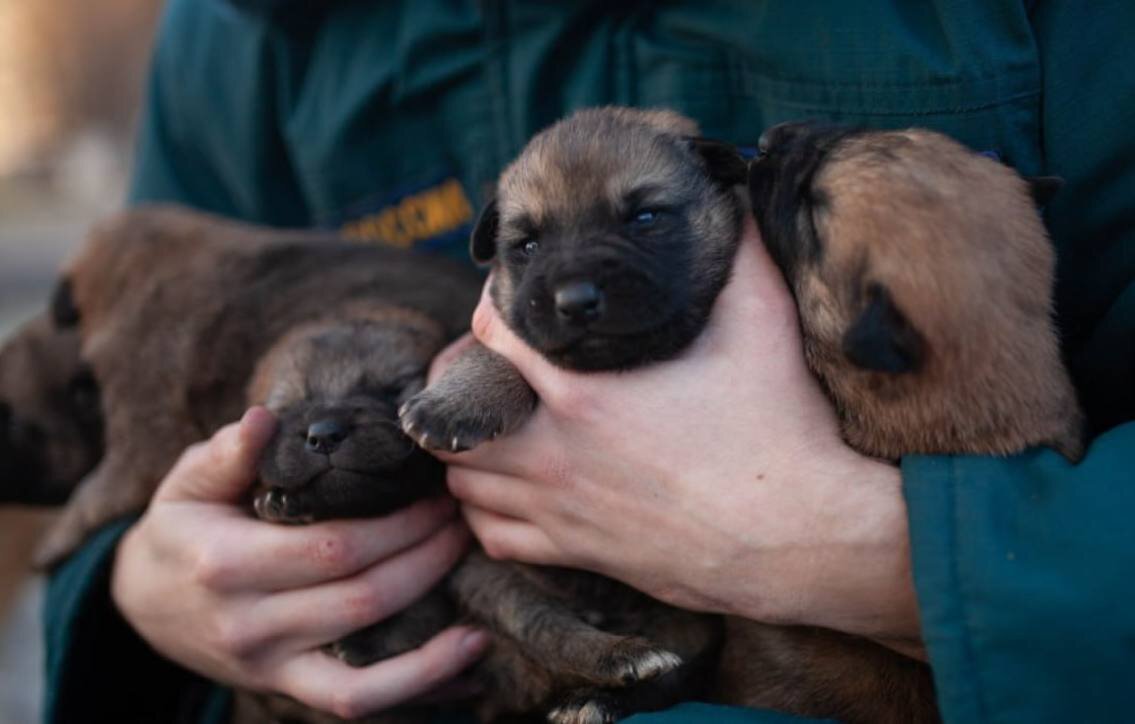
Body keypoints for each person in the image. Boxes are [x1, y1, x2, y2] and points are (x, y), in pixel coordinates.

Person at [44, 1, 1135, 722]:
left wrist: (880, 558)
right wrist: (141, 599)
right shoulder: (244, 33)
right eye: (525, 248)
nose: (568, 289)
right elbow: (94, 409)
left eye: (646, 219)